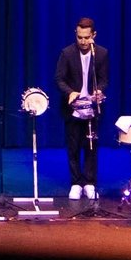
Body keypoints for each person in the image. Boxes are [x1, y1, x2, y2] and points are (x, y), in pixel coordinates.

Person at [53, 17, 109, 200]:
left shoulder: (101, 54)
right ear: (75, 35)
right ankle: (76, 183)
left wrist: (99, 91)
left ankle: (90, 183)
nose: (83, 41)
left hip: (92, 108)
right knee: (73, 147)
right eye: (80, 37)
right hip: (73, 108)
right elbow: (59, 79)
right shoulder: (67, 53)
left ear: (94, 35)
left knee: (92, 147)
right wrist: (69, 92)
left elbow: (104, 79)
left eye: (86, 37)